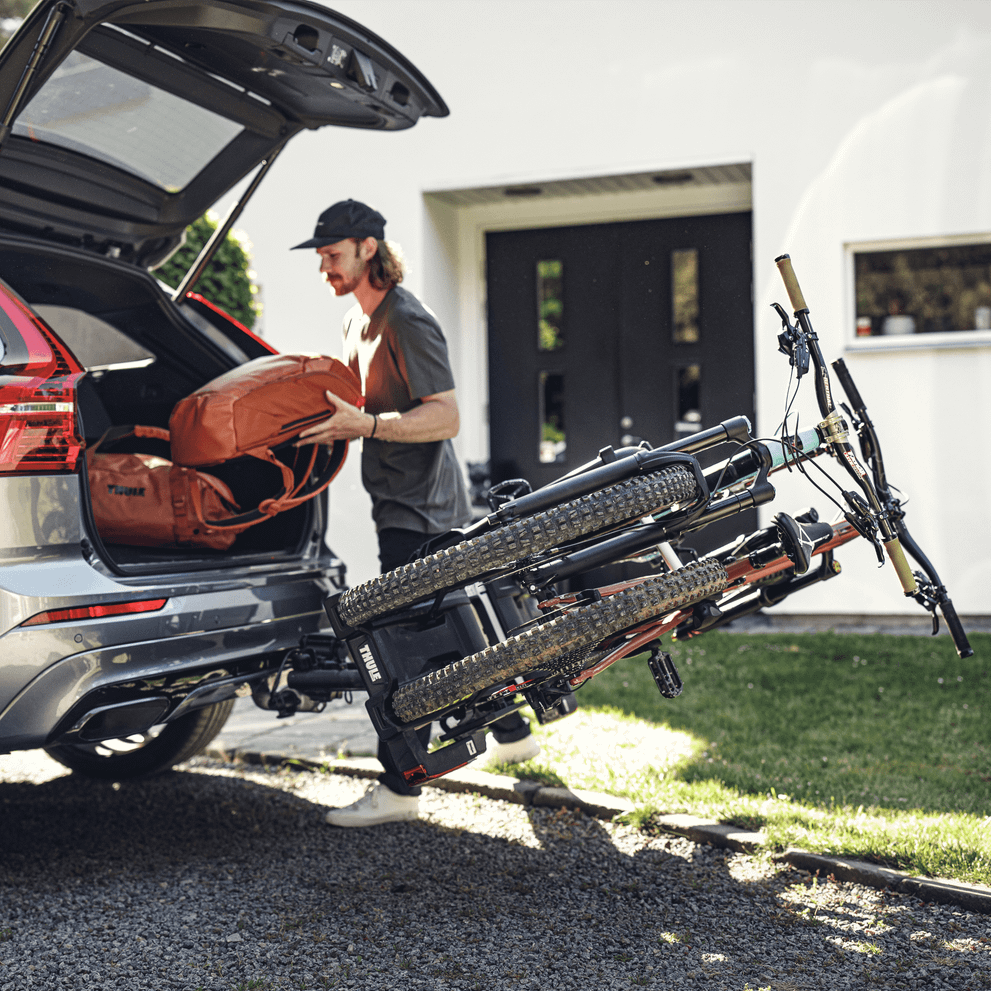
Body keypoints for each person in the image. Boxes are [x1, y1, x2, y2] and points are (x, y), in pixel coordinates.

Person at [291, 199, 539, 827]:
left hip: (425, 511)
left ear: (367, 248)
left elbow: (446, 416)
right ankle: (514, 733)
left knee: (398, 647)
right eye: (320, 256)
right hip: (394, 503)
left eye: (332, 254)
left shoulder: (407, 320)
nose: (324, 266)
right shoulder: (357, 324)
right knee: (449, 635)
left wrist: (368, 424)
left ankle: (399, 788)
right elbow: (356, 410)